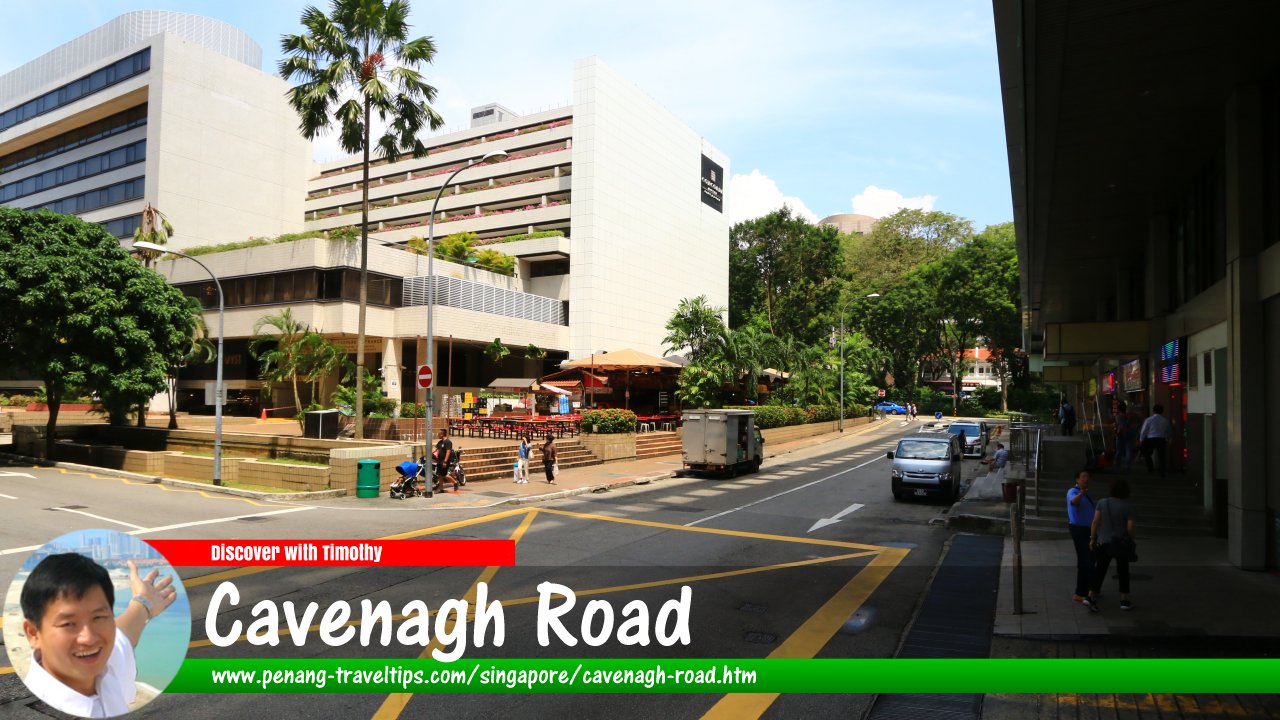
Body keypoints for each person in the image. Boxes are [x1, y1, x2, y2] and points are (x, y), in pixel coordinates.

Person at [20, 553, 177, 718]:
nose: (88, 638)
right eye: (68, 624)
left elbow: (122, 637)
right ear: (33, 633)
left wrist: (143, 603)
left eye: (98, 617)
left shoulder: (103, 667)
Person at [1085, 477, 1138, 612]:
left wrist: (1092, 539)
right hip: (1120, 543)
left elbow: (1095, 522)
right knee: (1123, 571)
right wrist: (1131, 539)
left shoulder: (1103, 502)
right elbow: (1130, 526)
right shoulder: (1129, 506)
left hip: (1103, 542)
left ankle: (1090, 597)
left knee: (1100, 570)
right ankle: (1124, 600)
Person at [1066, 469, 1096, 605]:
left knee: (1089, 559)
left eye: (1088, 476)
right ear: (1077, 479)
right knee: (1086, 560)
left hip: (1089, 529)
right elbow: (1074, 502)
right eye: (1083, 476)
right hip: (1079, 530)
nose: (1086, 479)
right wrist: (1081, 493)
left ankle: (1090, 588)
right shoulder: (1072, 491)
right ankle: (1080, 593)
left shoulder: (1087, 493)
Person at [1138, 404, 1172, 476]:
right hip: (1161, 439)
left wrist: (1141, 439)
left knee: (1147, 453)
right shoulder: (1165, 420)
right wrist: (1168, 438)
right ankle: (1162, 470)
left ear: (1153, 411)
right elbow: (1168, 431)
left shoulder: (1149, 420)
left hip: (1151, 439)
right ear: (1162, 411)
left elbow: (1144, 430)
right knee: (1162, 455)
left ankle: (1150, 468)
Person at [1112, 401, 1135, 471]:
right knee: (1129, 450)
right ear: (1125, 408)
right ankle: (1128, 465)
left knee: (1119, 450)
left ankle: (1117, 463)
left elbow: (1116, 425)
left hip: (1120, 434)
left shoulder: (1117, 417)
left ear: (1119, 409)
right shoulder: (1129, 416)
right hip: (1129, 433)